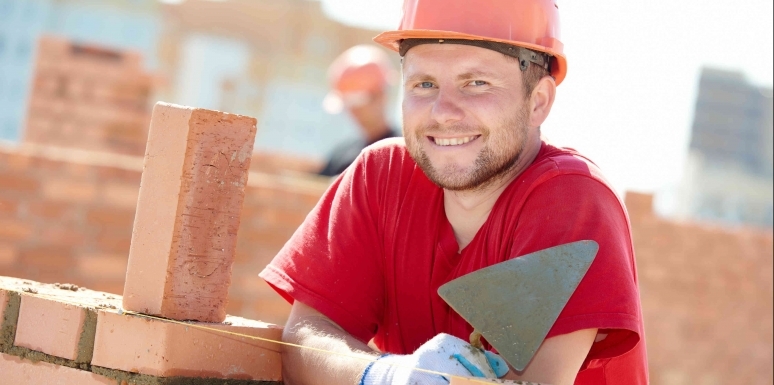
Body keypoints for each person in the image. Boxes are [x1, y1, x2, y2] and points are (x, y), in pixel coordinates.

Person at [259, 0, 649, 384]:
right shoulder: (380, 176)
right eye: (424, 84)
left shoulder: (571, 199)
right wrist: (382, 375)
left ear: (538, 102)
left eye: (476, 83)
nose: (443, 112)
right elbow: (305, 337)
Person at [318, 44, 399, 177]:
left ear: (381, 95)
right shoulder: (341, 154)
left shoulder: (403, 155)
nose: (352, 111)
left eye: (357, 101)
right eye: (348, 103)